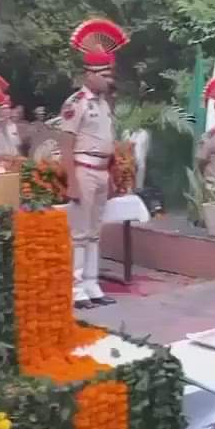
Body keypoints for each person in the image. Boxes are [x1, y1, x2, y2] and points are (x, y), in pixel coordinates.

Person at [61, 17, 129, 310]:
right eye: (104, 75)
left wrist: (111, 175)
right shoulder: (76, 103)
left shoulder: (103, 105)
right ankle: (76, 288)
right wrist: (71, 182)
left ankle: (92, 284)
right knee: (79, 233)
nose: (108, 80)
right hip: (83, 170)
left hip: (101, 171)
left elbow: (108, 143)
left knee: (94, 232)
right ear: (90, 74)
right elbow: (66, 144)